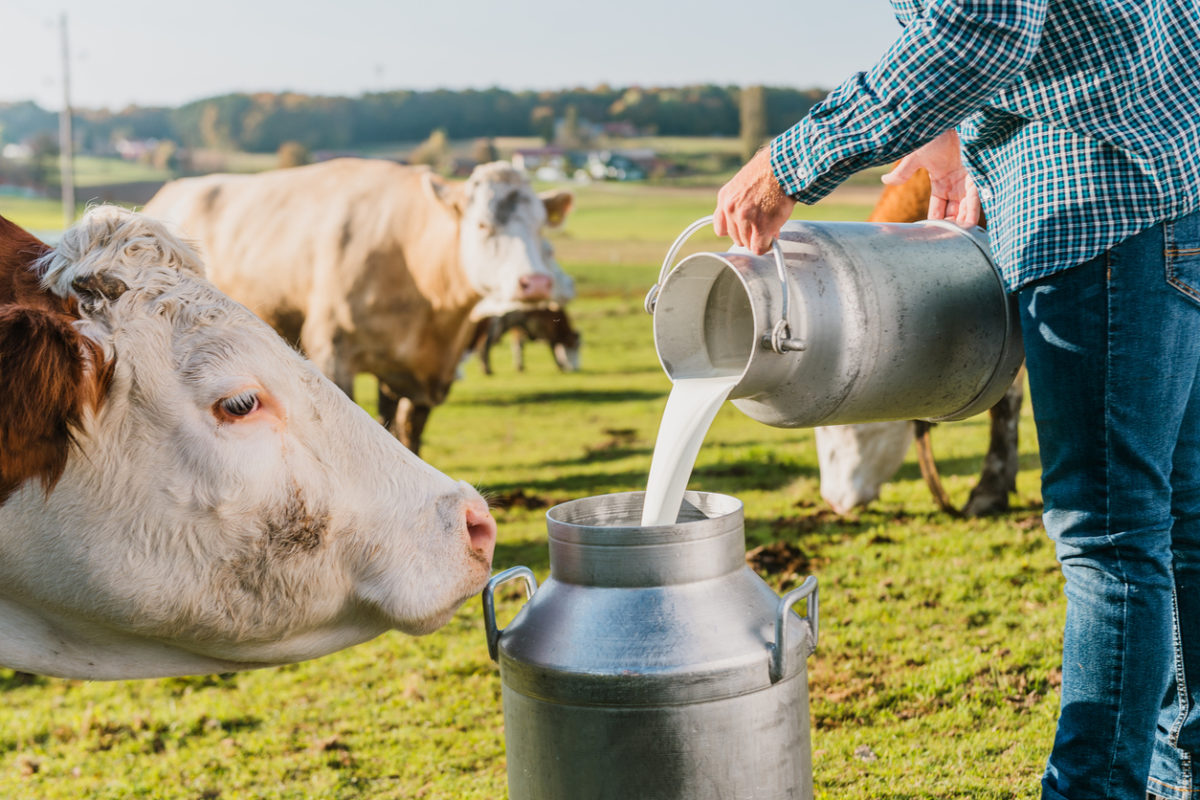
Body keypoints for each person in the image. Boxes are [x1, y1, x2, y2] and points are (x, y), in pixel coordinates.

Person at [712, 3, 1200, 799]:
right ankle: (1180, 777)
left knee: (1110, 534)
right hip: (1169, 186)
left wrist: (788, 165)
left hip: (1093, 196)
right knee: (1174, 518)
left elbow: (980, 32)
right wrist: (948, 140)